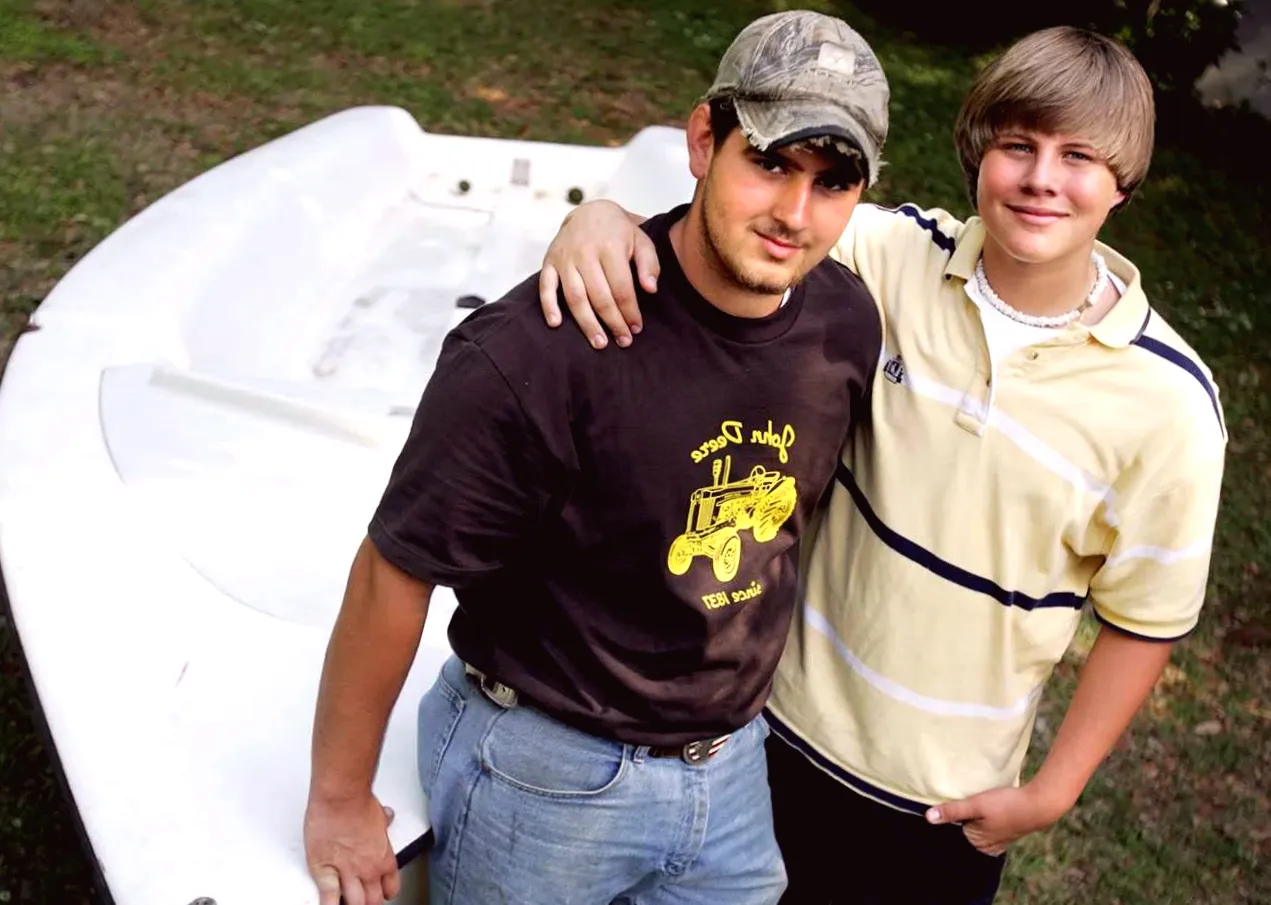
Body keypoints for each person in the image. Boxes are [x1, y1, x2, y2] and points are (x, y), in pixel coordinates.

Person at [536, 25, 1228, 905]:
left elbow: (1145, 618)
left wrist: (1053, 789)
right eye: (1017, 145)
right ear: (977, 151)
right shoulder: (891, 256)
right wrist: (600, 219)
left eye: (1078, 157)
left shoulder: (1168, 404)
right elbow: (742, 225)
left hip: (936, 806)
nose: (1041, 178)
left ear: (1121, 182)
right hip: (759, 737)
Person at [302, 10, 890, 905]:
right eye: (770, 162)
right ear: (703, 140)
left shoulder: (844, 322)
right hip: (543, 772)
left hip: (731, 767)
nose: (793, 214)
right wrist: (340, 797)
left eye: (832, 181)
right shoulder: (540, 349)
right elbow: (394, 572)